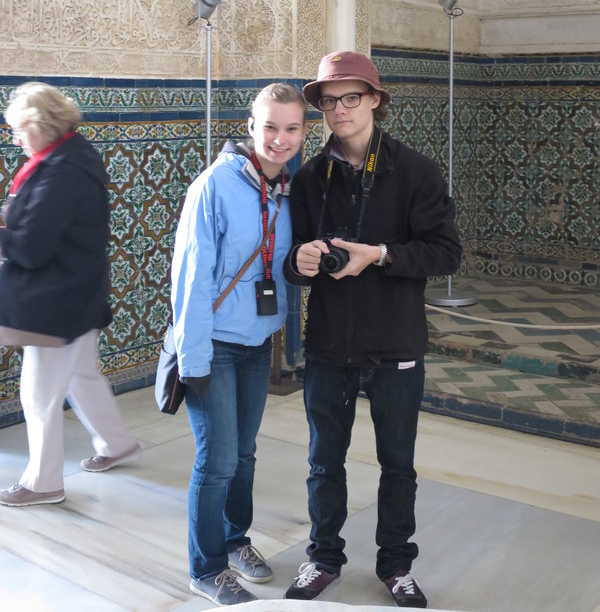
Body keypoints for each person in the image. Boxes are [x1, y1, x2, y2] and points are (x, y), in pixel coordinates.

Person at [283, 52, 462, 608]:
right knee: (323, 463)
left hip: (395, 343)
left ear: (376, 100)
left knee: (398, 466)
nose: (339, 109)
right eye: (328, 101)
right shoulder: (310, 178)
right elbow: (293, 260)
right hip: (329, 343)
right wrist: (300, 261)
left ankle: (396, 565)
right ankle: (323, 558)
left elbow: (447, 253)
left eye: (351, 97)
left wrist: (380, 254)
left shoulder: (416, 171)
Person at [171, 83, 308, 606]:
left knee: (244, 455)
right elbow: (190, 278)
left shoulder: (289, 189)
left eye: (291, 128)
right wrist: (194, 360)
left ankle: (234, 540)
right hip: (213, 345)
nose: (279, 138)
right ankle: (205, 568)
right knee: (218, 460)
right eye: (269, 126)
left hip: (256, 344)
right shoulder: (214, 185)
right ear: (251, 127)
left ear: (303, 132)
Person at [0, 82, 140, 508]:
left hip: (57, 301)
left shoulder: (61, 170)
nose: (15, 139)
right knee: (82, 377)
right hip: (79, 292)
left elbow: (32, 247)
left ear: (41, 125)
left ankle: (43, 482)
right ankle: (116, 443)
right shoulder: (71, 156)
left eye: (19, 129)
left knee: (38, 394)